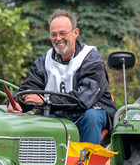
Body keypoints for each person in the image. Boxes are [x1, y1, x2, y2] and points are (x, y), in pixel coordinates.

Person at [7, 9, 116, 145]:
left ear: (75, 33)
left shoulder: (91, 59)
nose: (58, 39)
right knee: (34, 122)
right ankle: (40, 164)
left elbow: (85, 98)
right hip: (58, 113)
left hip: (90, 111)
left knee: (92, 117)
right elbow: (30, 87)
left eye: (63, 33)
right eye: (54, 34)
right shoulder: (44, 61)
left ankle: (88, 163)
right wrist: (18, 103)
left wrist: (46, 100)